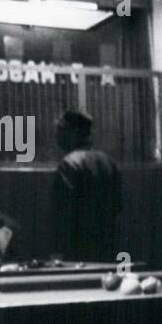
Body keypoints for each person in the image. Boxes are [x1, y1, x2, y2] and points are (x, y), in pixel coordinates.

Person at [51, 110, 122, 262]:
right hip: (108, 247)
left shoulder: (68, 164)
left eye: (61, 130)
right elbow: (118, 207)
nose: (57, 136)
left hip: (77, 250)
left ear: (73, 133)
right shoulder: (109, 162)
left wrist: (58, 252)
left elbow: (63, 215)